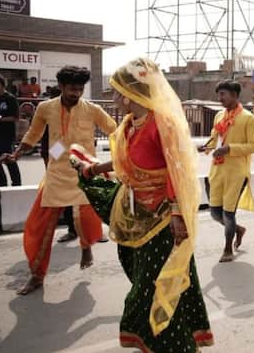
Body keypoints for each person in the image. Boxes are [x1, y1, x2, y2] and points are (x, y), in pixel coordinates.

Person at [76, 58, 213, 351]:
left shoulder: (163, 124)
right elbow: (122, 162)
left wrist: (177, 213)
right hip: (134, 214)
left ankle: (175, 345)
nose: (112, 98)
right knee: (140, 278)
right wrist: (93, 170)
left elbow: (179, 170)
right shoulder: (129, 124)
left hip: (162, 219)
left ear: (128, 93)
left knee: (150, 288)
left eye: (114, 92)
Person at [7, 66, 117, 295]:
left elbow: (115, 130)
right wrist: (17, 153)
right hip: (56, 171)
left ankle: (86, 246)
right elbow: (33, 134)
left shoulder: (93, 109)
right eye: (72, 89)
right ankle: (37, 276)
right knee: (39, 227)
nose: (76, 93)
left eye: (80, 89)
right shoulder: (46, 107)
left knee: (85, 219)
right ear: (61, 86)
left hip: (84, 172)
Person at [202, 80, 254, 262]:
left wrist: (229, 149)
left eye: (223, 94)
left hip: (237, 172)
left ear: (235, 95)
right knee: (214, 212)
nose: (220, 98)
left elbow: (252, 146)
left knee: (228, 213)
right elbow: (214, 138)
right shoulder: (219, 116)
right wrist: (206, 147)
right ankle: (238, 229)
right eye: (219, 95)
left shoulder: (248, 118)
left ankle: (227, 250)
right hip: (217, 170)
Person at [0, 77, 21, 186]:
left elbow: (16, 118)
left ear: (0, 85)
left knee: (1, 159)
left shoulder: (10, 98)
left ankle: (14, 183)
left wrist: (0, 119)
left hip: (8, 135)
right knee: (0, 159)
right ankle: (5, 183)